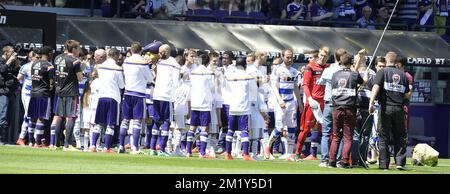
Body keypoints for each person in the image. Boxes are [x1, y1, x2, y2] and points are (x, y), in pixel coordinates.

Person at [369, 51, 411, 171]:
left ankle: (384, 164)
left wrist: (371, 102)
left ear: (386, 61)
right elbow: (407, 94)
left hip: (385, 107)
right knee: (400, 136)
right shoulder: (403, 75)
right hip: (399, 108)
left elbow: (376, 86)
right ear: (396, 62)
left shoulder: (382, 72)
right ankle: (400, 163)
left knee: (383, 136)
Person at [328, 53, 368, 168]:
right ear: (351, 63)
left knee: (335, 136)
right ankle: (344, 162)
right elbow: (364, 82)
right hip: (349, 108)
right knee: (348, 136)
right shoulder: (354, 75)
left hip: (336, 108)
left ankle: (331, 161)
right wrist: (365, 76)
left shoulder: (334, 75)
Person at [265, 48, 302, 162]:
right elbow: (274, 86)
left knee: (292, 127)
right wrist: (280, 100)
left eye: (291, 57)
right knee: (280, 127)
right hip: (280, 101)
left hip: (291, 101)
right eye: (287, 57)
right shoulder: (277, 69)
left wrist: (300, 102)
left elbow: (296, 87)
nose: (289, 59)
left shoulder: (295, 71)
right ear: (282, 57)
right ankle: (267, 147)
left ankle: (289, 153)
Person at [295, 46, 331, 161]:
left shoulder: (330, 68)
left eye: (325, 56)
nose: (323, 58)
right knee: (305, 129)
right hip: (313, 103)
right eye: (321, 55)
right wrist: (309, 98)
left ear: (328, 57)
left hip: (325, 102)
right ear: (318, 55)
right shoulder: (310, 67)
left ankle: (329, 156)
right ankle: (297, 153)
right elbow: (305, 84)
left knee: (327, 129)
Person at [118, 42, 152, 154]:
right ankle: (135, 147)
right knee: (137, 121)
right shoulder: (143, 62)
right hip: (139, 94)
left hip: (127, 92)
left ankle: (121, 145)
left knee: (125, 121)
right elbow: (149, 79)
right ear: (141, 50)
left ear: (131, 50)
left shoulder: (126, 61)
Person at [316, 47, 347, 167]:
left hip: (329, 103)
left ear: (334, 57)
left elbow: (320, 82)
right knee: (341, 133)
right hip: (341, 104)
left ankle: (324, 160)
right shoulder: (347, 71)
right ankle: (338, 160)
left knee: (326, 133)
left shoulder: (329, 70)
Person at [52, 40, 84, 151]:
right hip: (71, 92)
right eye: (78, 48)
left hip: (60, 91)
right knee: (71, 117)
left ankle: (56, 144)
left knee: (60, 116)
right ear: (74, 49)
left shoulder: (57, 58)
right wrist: (82, 69)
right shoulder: (75, 61)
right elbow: (80, 78)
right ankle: (68, 145)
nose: (79, 50)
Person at [90, 48, 124, 153]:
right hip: (113, 97)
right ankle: (106, 147)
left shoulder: (101, 67)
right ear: (117, 55)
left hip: (101, 96)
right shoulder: (117, 68)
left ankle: (92, 146)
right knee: (110, 124)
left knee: (98, 123)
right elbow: (121, 85)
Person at [224, 56, 257, 161]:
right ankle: (246, 154)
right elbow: (253, 92)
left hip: (232, 106)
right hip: (244, 107)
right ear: (245, 65)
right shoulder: (249, 76)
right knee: (244, 131)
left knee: (230, 130)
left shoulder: (230, 76)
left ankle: (228, 153)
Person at [150, 44, 180, 156]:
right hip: (159, 95)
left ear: (167, 52)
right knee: (159, 121)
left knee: (165, 121)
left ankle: (161, 149)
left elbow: (175, 81)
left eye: (161, 52)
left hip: (167, 96)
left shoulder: (173, 64)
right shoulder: (159, 62)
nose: (159, 53)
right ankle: (155, 149)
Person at [186, 53, 215, 158]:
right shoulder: (210, 73)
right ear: (207, 62)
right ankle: (202, 153)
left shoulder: (192, 72)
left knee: (192, 128)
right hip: (205, 103)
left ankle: (188, 151)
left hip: (194, 102)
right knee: (204, 129)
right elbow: (212, 87)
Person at [351, 50, 376, 167]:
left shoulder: (356, 73)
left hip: (362, 107)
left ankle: (358, 160)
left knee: (359, 135)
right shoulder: (371, 73)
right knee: (364, 136)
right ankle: (360, 160)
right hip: (362, 107)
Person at [171, 48, 197, 156]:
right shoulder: (181, 69)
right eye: (192, 56)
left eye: (195, 56)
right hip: (180, 99)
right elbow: (175, 85)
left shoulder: (197, 69)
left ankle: (180, 149)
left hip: (191, 100)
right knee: (178, 126)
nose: (194, 58)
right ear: (186, 56)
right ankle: (174, 149)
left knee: (186, 127)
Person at [28, 46, 55, 148]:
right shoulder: (49, 66)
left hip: (33, 92)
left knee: (33, 118)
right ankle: (38, 143)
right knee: (41, 118)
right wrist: (52, 85)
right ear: (48, 53)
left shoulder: (34, 64)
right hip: (43, 94)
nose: (52, 55)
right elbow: (52, 81)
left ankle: (31, 141)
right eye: (51, 53)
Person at [246, 51, 270, 160]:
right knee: (254, 127)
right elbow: (252, 82)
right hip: (253, 100)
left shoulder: (262, 69)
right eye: (265, 56)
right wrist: (263, 80)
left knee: (260, 126)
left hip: (261, 99)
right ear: (260, 56)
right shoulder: (251, 68)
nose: (267, 58)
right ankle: (250, 153)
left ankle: (255, 153)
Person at [16, 51, 38, 146]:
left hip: (37, 94)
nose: (38, 58)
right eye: (36, 57)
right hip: (27, 93)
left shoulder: (42, 65)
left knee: (36, 116)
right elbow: (18, 78)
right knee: (28, 114)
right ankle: (21, 138)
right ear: (31, 57)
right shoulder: (26, 66)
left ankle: (34, 139)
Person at [216, 51, 236, 154]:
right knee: (218, 124)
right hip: (220, 100)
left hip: (229, 101)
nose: (224, 60)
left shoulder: (234, 70)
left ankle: (226, 146)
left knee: (228, 125)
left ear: (231, 59)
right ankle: (218, 145)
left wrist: (224, 76)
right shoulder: (218, 69)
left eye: (226, 58)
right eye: (223, 58)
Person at [0, 45, 19, 145]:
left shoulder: (10, 63)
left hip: (11, 92)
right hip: (3, 92)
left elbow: (15, 74)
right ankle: (0, 139)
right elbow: (2, 70)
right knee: (2, 116)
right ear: (6, 52)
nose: (13, 55)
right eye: (12, 52)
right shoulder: (1, 61)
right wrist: (10, 61)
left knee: (9, 117)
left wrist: (16, 64)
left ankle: (5, 139)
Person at [395, 56, 413, 132]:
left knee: (402, 130)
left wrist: (394, 95)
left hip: (403, 107)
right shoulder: (393, 74)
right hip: (392, 107)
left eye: (395, 64)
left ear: (399, 64)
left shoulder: (408, 76)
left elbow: (408, 95)